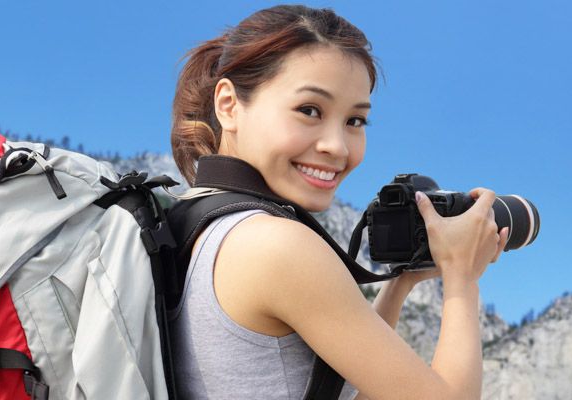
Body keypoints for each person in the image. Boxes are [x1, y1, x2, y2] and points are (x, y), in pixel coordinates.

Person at [167, 5, 510, 399]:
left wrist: (401, 283)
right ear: (228, 104)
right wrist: (461, 279)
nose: (337, 147)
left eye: (355, 121)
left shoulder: (198, 222)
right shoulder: (275, 244)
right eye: (309, 110)